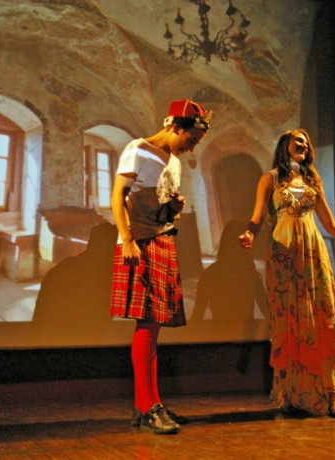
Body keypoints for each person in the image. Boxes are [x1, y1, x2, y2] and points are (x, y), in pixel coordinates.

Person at [238, 128, 335, 418]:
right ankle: (292, 393)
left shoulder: (312, 180)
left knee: (325, 318)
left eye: (307, 142)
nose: (304, 144)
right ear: (285, 145)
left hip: (313, 253)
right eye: (298, 140)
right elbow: (258, 216)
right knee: (290, 322)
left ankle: (333, 394)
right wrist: (249, 233)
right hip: (283, 254)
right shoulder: (270, 179)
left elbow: (331, 225)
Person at [110, 99, 211, 434]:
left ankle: (147, 405)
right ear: (175, 127)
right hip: (139, 242)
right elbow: (117, 195)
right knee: (147, 326)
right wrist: (127, 240)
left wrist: (175, 207)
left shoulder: (175, 163)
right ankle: (148, 406)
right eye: (191, 140)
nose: (191, 147)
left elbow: (162, 205)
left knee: (153, 329)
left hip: (163, 239)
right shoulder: (138, 149)